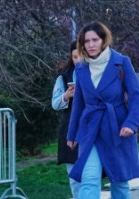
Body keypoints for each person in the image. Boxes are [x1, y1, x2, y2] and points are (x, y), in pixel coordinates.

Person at [66, 22, 139, 199]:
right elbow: (79, 102)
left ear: (104, 40)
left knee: (120, 181)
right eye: (87, 41)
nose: (91, 45)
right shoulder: (81, 67)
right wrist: (72, 134)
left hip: (117, 128)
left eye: (95, 40)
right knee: (89, 178)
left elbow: (136, 96)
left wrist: (131, 123)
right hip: (90, 129)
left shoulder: (121, 62)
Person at [52, 40, 82, 198]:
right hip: (70, 128)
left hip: (92, 127)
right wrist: (66, 96)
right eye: (75, 57)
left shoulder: (97, 73)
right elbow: (54, 103)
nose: (79, 60)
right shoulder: (64, 77)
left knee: (91, 175)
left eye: (81, 56)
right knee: (74, 176)